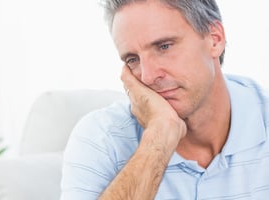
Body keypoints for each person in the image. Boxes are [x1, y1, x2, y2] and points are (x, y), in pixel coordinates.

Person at [60, 0, 269, 199]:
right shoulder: (102, 138)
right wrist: (159, 136)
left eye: (164, 47)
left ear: (214, 39)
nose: (148, 76)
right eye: (132, 59)